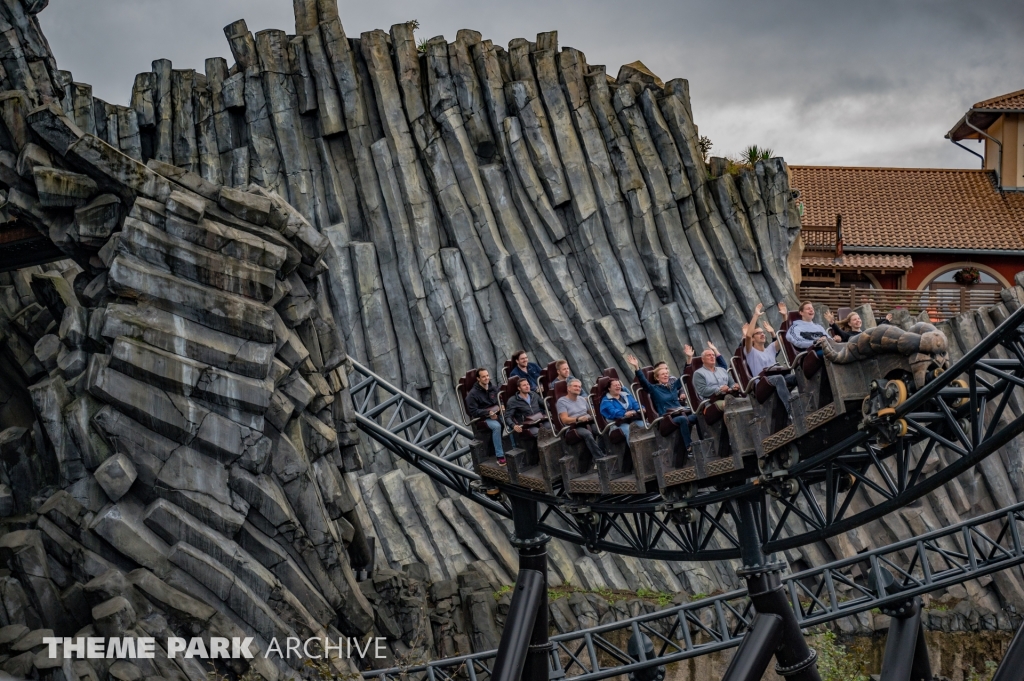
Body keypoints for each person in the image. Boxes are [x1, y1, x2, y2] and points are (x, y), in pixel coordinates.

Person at [627, 354, 700, 452]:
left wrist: (689, 359)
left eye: (666, 373)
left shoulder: (673, 386)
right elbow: (644, 382)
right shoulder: (654, 389)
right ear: (657, 378)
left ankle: (701, 441)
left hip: (680, 412)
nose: (666, 375)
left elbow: (684, 377)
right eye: (663, 374)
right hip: (666, 418)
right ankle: (689, 447)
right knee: (682, 419)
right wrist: (636, 367)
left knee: (697, 416)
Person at [743, 303, 797, 414]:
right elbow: (748, 336)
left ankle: (804, 404)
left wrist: (784, 316)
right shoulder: (750, 352)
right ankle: (791, 411)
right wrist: (756, 315)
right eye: (758, 333)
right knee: (779, 378)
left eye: (763, 333)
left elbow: (783, 336)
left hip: (778, 377)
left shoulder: (771, 349)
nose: (762, 334)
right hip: (762, 383)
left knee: (797, 377)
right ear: (753, 339)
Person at [556, 378, 605, 461]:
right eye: (575, 386)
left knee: (601, 430)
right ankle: (599, 458)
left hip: (588, 422)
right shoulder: (562, 401)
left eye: (579, 387)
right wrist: (578, 419)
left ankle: (601, 452)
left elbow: (590, 412)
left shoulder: (582, 399)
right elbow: (564, 419)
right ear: (568, 388)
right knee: (587, 434)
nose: (578, 388)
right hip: (574, 426)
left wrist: (600, 407)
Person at [466, 368, 506, 465]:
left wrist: (502, 405)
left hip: (496, 413)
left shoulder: (493, 388)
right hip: (483, 418)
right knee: (497, 426)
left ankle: (515, 448)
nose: (486, 378)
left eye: (487, 375)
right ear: (478, 379)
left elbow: (501, 398)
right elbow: (473, 411)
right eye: (483, 376)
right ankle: (500, 456)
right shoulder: (473, 394)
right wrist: (487, 412)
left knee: (510, 419)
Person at [693, 345, 739, 412]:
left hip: (729, 396)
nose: (712, 357)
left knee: (746, 400)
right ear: (703, 359)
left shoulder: (722, 370)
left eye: (713, 355)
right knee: (729, 404)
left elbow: (731, 383)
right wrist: (719, 389)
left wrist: (735, 386)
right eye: (709, 355)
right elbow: (702, 391)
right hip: (711, 401)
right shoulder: (698, 373)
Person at [504, 377, 545, 445]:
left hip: (540, 420)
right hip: (527, 425)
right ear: (519, 388)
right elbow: (507, 416)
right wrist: (513, 425)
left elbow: (546, 405)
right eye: (524, 385)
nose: (527, 386)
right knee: (541, 433)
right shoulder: (512, 401)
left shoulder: (534, 395)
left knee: (551, 427)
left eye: (528, 384)